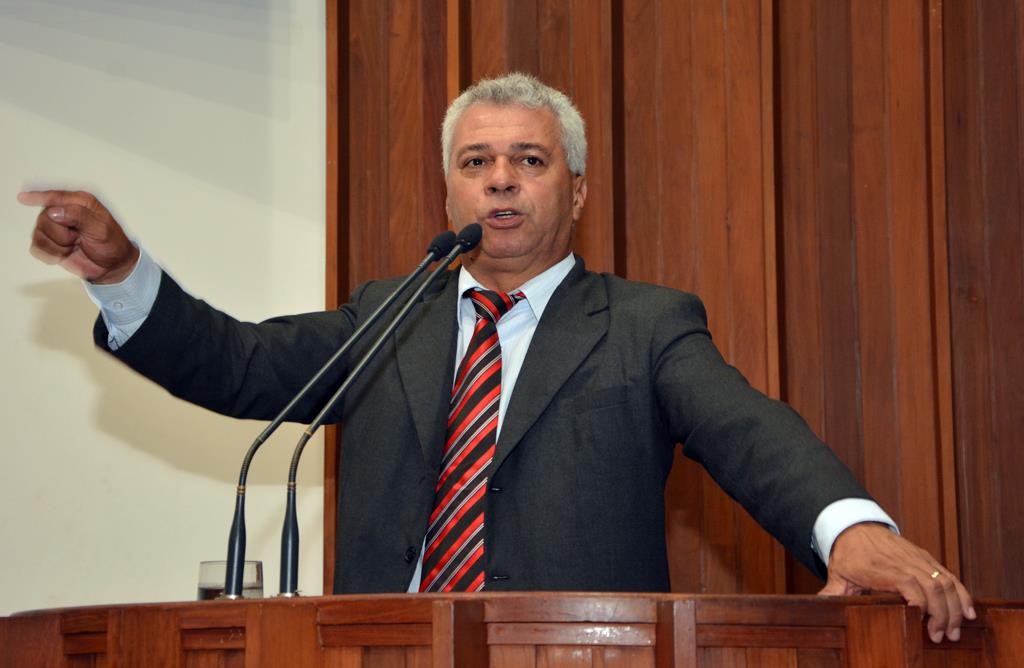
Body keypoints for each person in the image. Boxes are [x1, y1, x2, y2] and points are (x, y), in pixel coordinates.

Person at [20, 73, 973, 642]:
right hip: (380, 649)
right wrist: (122, 273)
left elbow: (747, 429)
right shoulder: (390, 316)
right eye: (476, 163)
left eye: (529, 160)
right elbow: (239, 365)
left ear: (577, 190)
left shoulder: (643, 325)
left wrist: (847, 532)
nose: (501, 181)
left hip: (568, 653)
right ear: (450, 191)